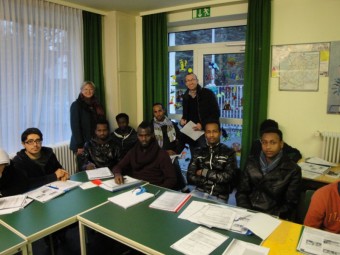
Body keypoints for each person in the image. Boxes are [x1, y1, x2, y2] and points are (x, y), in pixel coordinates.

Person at [236, 127, 302, 220]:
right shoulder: (252, 162)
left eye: (273, 142)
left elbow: (290, 203)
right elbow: (242, 192)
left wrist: (270, 218)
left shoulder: (292, 169)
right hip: (248, 213)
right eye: (264, 142)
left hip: (273, 217)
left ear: (281, 144)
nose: (268, 147)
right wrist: (247, 212)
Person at [113, 121, 177, 189]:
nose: (144, 139)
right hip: (136, 188)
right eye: (141, 136)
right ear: (137, 136)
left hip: (154, 188)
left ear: (152, 135)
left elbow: (172, 179)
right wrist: (117, 174)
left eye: (147, 135)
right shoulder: (133, 151)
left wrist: (159, 191)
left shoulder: (161, 154)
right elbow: (118, 166)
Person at [187, 120, 237, 203]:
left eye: (214, 132)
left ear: (220, 133)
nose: (211, 135)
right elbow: (189, 176)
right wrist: (209, 180)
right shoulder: (198, 152)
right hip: (199, 192)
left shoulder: (229, 153)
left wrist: (204, 172)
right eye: (208, 132)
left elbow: (228, 177)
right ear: (205, 134)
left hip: (219, 196)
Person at [180, 73, 220, 154]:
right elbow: (185, 114)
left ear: (197, 81)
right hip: (191, 131)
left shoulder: (208, 93)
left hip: (205, 131)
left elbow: (216, 113)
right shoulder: (185, 96)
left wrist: (202, 125)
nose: (190, 82)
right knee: (195, 156)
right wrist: (182, 121)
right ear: (186, 83)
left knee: (207, 155)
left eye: (192, 80)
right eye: (188, 80)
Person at [70, 81, 105, 170]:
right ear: (81, 90)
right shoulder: (76, 105)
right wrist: (80, 146)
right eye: (85, 89)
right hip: (81, 143)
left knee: (94, 168)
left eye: (91, 89)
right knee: (83, 169)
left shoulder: (97, 105)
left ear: (94, 91)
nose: (88, 91)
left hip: (94, 141)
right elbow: (75, 126)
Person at [151, 102, 187, 191]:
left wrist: (176, 151)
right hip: (156, 154)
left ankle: (180, 187)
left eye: (160, 111)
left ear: (164, 111)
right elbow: (150, 145)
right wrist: (164, 152)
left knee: (174, 162)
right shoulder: (150, 126)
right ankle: (181, 187)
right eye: (155, 112)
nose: (158, 113)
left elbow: (182, 139)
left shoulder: (172, 124)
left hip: (172, 154)